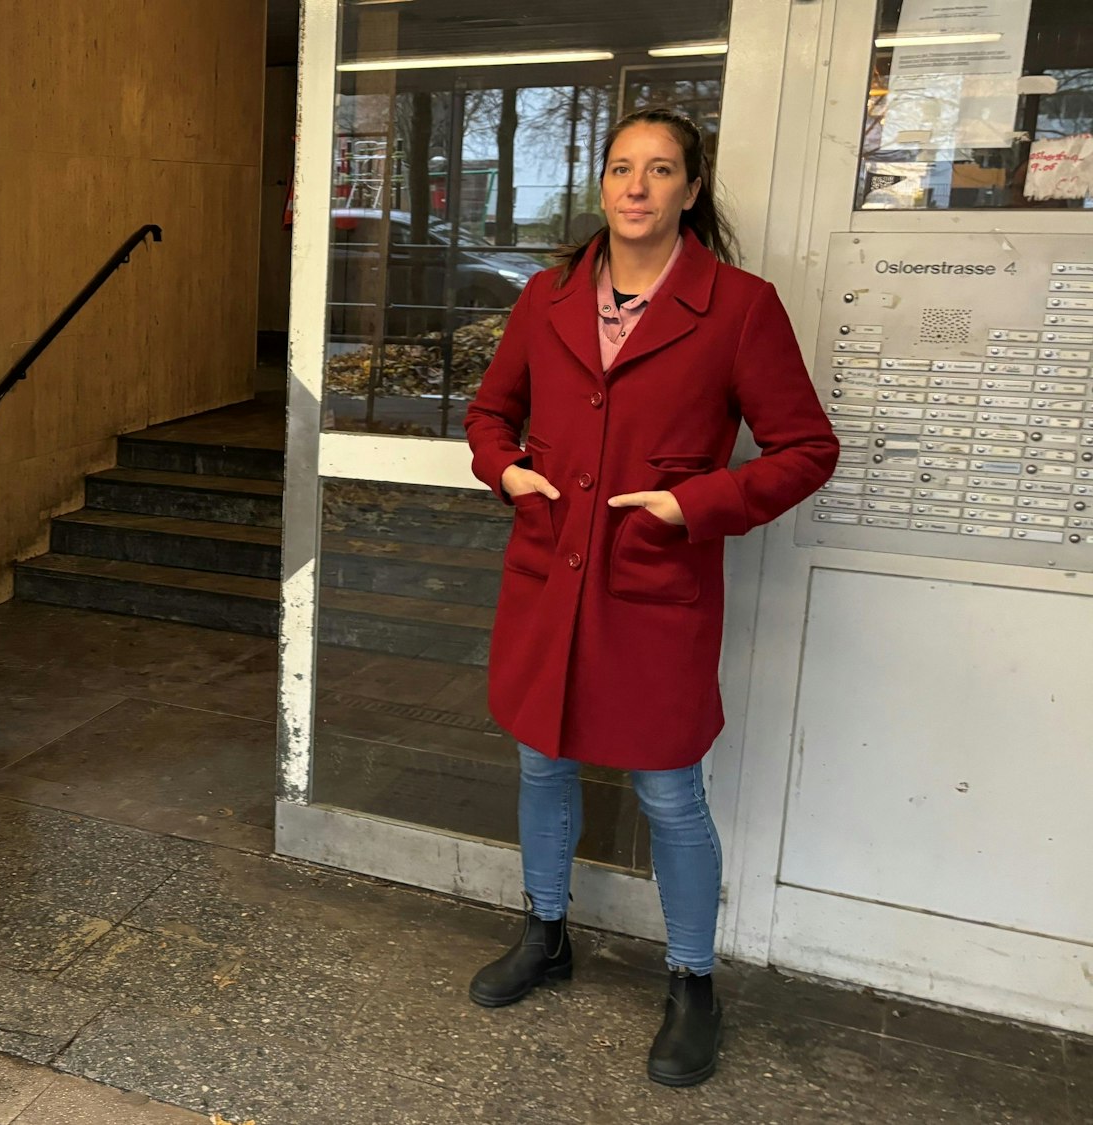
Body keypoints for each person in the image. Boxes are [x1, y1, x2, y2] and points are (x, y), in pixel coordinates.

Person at [461, 108, 838, 1087]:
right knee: (540, 763)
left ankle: (691, 983)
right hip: (549, 580)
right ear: (601, 186)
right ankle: (545, 935)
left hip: (651, 589)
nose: (635, 186)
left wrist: (694, 501)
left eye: (658, 169)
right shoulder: (544, 295)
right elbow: (490, 410)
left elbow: (805, 451)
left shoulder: (740, 307)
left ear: (688, 188)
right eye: (621, 168)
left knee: (668, 792)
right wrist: (504, 472)